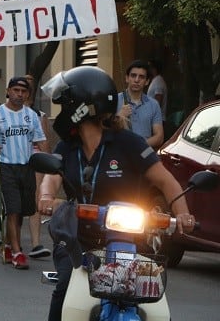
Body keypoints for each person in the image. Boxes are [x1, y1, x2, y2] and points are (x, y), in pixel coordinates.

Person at [37, 66, 195, 321]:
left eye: (65, 105)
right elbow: (51, 177)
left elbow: (168, 182)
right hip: (79, 240)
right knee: (66, 287)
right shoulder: (67, 147)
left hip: (130, 239)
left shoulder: (129, 143)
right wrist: (46, 198)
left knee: (150, 301)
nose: (62, 112)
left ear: (82, 106)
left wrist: (183, 214)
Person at [0, 76, 48, 269]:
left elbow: (41, 140)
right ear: (8, 91)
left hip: (27, 167)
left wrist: (49, 161)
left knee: (21, 211)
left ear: (28, 94)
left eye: (23, 91)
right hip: (6, 167)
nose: (19, 94)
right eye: (16, 90)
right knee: (13, 209)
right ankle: (17, 251)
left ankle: (8, 244)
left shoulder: (31, 115)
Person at [24, 73, 52, 259]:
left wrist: (49, 163)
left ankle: (36, 243)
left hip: (34, 159)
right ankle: (11, 243)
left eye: (27, 89)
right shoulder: (2, 113)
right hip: (13, 160)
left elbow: (44, 143)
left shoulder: (39, 115)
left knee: (34, 199)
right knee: (16, 202)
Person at [117, 59, 164, 149]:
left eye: (141, 77)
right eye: (133, 76)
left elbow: (159, 137)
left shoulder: (153, 105)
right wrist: (119, 117)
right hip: (120, 156)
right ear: (127, 78)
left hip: (144, 156)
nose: (137, 80)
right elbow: (104, 133)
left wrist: (138, 146)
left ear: (147, 82)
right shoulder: (115, 101)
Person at [147, 59, 168, 131]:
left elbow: (158, 100)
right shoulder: (155, 80)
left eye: (150, 67)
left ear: (154, 69)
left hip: (157, 120)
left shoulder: (158, 81)